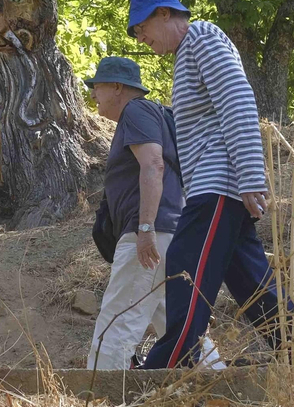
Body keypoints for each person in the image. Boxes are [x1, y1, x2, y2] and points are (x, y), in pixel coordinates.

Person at [127, 0, 294, 368]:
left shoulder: (202, 38)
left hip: (220, 187)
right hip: (216, 188)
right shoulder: (187, 54)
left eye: (141, 26)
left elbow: (238, 101)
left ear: (165, 14)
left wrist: (249, 176)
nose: (140, 37)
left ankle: (165, 370)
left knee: (184, 263)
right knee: (253, 287)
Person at [83, 56, 223, 371]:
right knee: (173, 320)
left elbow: (153, 164)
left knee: (119, 318)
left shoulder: (136, 111)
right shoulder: (161, 116)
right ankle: (220, 385)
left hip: (149, 234)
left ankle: (100, 400)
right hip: (173, 232)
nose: (93, 94)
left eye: (98, 86)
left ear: (117, 87)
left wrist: (145, 228)